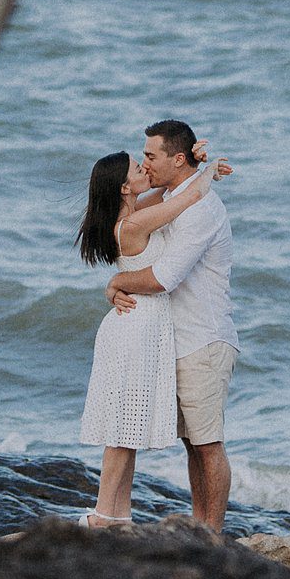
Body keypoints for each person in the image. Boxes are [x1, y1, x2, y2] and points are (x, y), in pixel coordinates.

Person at [103, 119, 238, 530]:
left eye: (150, 156)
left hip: (202, 339)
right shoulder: (170, 198)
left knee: (208, 444)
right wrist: (201, 170)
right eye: (141, 158)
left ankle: (211, 535)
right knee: (191, 444)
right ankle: (201, 530)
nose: (145, 164)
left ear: (175, 158)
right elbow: (155, 206)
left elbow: (164, 277)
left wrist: (116, 282)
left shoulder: (201, 209)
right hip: (170, 341)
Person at [73, 148, 217, 525]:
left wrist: (193, 162)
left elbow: (172, 189)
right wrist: (211, 167)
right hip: (136, 327)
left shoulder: (134, 214)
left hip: (137, 326)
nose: (145, 168)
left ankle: (120, 514)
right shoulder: (135, 224)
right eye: (139, 168)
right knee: (121, 430)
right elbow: (189, 197)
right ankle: (103, 513)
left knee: (127, 428)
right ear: (124, 187)